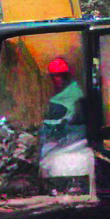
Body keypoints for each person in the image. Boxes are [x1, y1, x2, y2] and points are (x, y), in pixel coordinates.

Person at [39, 58, 90, 194]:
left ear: (66, 77)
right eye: (54, 76)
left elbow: (68, 121)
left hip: (71, 138)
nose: (57, 80)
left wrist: (53, 127)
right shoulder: (63, 95)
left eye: (60, 76)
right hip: (64, 136)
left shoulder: (72, 95)